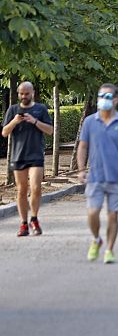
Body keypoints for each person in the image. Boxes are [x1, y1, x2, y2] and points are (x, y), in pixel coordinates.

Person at [77, 84, 118, 264]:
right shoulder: (89, 122)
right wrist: (81, 170)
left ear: (116, 100)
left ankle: (109, 249)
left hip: (117, 176)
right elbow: (83, 146)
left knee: (113, 215)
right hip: (95, 176)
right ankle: (96, 239)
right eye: (101, 96)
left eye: (108, 96)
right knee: (93, 212)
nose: (103, 99)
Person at [1, 81, 53, 237]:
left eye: (27, 93)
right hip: (19, 156)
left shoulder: (41, 109)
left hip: (36, 154)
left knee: (36, 187)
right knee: (22, 190)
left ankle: (34, 219)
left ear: (33, 93)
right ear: (18, 94)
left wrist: (34, 121)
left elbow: (50, 130)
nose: (24, 96)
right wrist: (15, 121)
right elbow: (4, 132)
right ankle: (24, 223)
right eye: (21, 94)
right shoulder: (13, 110)